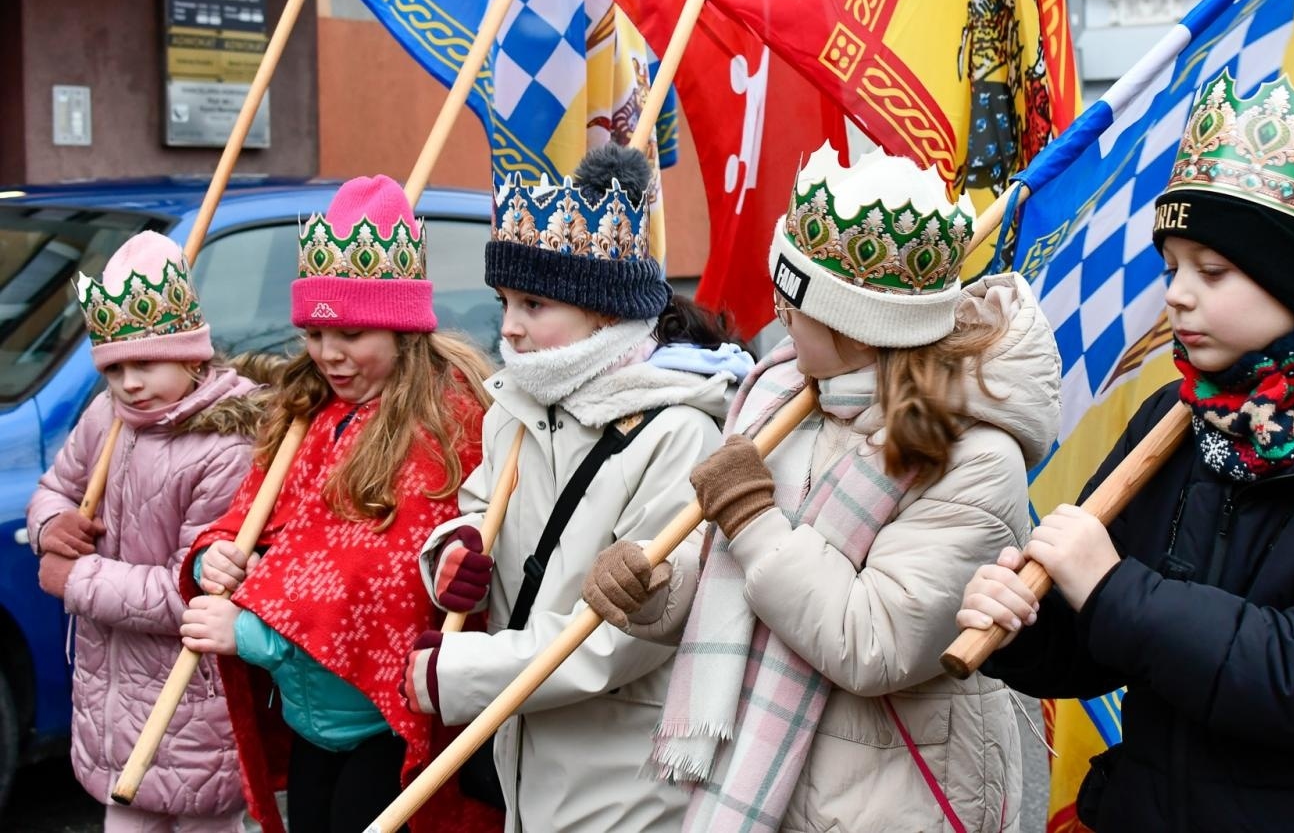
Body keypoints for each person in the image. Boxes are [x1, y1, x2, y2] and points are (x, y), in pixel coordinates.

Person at [959, 73, 1294, 832]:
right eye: (1171, 268)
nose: (1177, 296)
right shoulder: (1182, 419)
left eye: (1212, 271)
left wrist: (1113, 590)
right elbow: (1105, 648)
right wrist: (1028, 627)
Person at [582, 147, 1060, 833]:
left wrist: (752, 518)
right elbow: (729, 573)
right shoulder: (783, 390)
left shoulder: (977, 456)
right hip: (776, 791)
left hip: (894, 806)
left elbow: (877, 640)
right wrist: (653, 588)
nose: (776, 311)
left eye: (794, 299)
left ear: (852, 327)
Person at [400, 146, 748, 833]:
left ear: (602, 312)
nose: (509, 327)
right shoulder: (518, 409)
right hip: (527, 754)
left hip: (627, 774)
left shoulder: (679, 433)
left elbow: (628, 632)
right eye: (504, 302)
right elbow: (481, 512)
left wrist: (464, 672)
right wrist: (454, 553)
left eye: (534, 303)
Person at [176, 176, 496, 833]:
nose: (328, 354)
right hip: (311, 713)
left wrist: (253, 631)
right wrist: (215, 554)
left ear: (404, 329)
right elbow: (257, 516)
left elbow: (384, 572)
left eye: (351, 333)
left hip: (383, 718)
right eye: (315, 334)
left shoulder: (443, 422)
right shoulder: (314, 410)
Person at [26, 232, 260, 833]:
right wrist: (55, 524)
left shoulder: (224, 447)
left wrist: (75, 577)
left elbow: (194, 590)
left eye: (146, 364)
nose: (130, 383)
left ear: (192, 358)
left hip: (192, 705)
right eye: (116, 368)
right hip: (109, 701)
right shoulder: (108, 419)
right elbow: (54, 487)